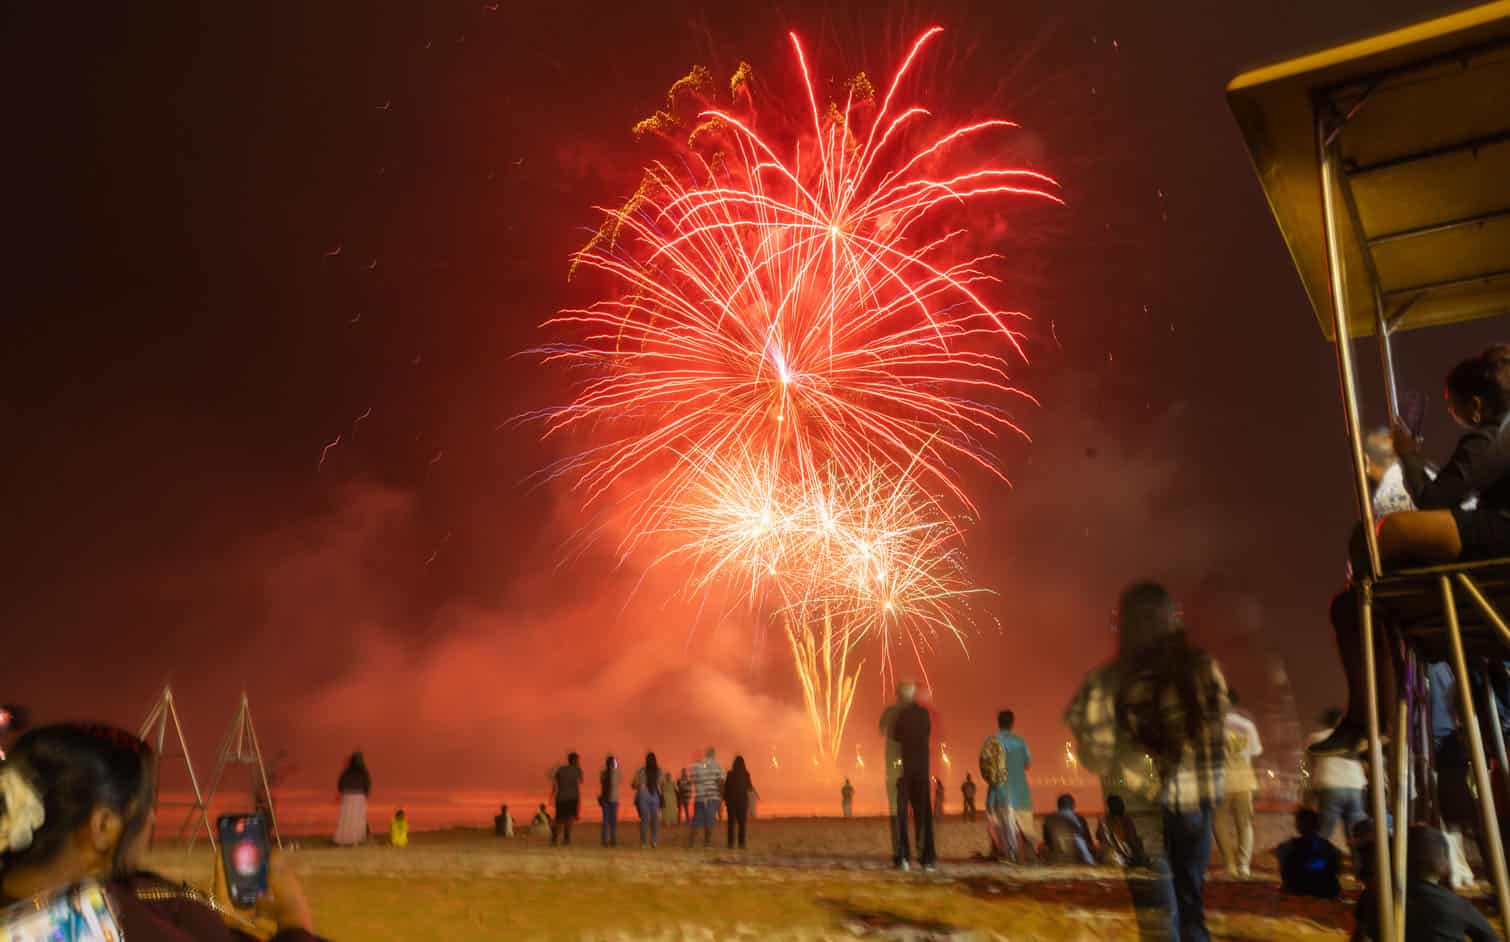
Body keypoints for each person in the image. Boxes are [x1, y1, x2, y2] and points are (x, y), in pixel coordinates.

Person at [1315, 349, 1510, 756]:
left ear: (1476, 405)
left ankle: (1372, 709)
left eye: (1453, 409)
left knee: (1380, 535)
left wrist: (1408, 453)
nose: (1453, 417)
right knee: (1361, 580)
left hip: (1498, 534)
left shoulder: (1491, 436)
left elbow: (1435, 500)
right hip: (1492, 534)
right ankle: (1367, 615)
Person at [0, 724, 324, 941]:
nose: (151, 819)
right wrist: (292, 917)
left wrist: (224, 922)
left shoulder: (100, 897)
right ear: (102, 827)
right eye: (143, 807)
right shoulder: (81, 928)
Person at [1065, 581, 1229, 942]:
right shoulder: (1204, 668)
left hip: (1140, 808)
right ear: (1171, 618)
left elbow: (1096, 756)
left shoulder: (1108, 681)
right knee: (1191, 904)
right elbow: (1218, 735)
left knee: (1157, 915)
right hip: (1196, 802)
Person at [1356, 826, 1501, 942]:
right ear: (1444, 864)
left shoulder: (1374, 896)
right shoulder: (1456, 905)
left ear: (1397, 858)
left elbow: (1360, 936)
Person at [1214, 689, 1263, 877]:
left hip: (1222, 780)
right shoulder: (1247, 725)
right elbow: (1255, 753)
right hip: (1245, 779)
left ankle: (1230, 865)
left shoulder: (1214, 726)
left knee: (1218, 822)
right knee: (1244, 824)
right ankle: (1244, 865)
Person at [891, 681, 936, 871]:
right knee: (924, 814)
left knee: (902, 814)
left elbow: (896, 736)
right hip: (923, 769)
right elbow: (927, 732)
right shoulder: (924, 714)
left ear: (902, 697)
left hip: (906, 770)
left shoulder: (900, 715)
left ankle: (904, 858)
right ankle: (927, 860)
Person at [1304, 709, 1367, 846]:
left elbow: (1309, 766)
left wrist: (1309, 795)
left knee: (1324, 833)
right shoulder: (1353, 738)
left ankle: (1319, 863)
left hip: (1330, 786)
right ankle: (1359, 865)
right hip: (1355, 786)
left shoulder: (1315, 738)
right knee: (1357, 835)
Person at [980, 710, 1034, 863]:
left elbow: (984, 766)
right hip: (1021, 794)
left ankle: (1003, 854)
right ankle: (1017, 856)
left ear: (998, 723)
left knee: (998, 828)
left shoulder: (990, 741)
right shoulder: (1020, 741)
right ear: (1012, 723)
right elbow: (1028, 763)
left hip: (997, 794)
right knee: (1022, 829)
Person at [1275, 808, 1340, 898]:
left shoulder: (1290, 845)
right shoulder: (1328, 846)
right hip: (1325, 888)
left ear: (1299, 825)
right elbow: (1336, 867)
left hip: (1300, 887)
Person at [878, 684, 910, 858]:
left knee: (895, 809)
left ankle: (900, 853)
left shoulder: (889, 712)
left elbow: (881, 730)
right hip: (910, 765)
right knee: (913, 809)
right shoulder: (916, 713)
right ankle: (916, 854)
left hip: (892, 765)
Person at [1040, 794, 1095, 865]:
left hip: (1055, 859)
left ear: (1058, 806)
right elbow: (1088, 841)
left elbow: (1047, 841)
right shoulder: (1079, 819)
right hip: (1077, 859)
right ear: (1073, 805)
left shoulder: (1048, 819)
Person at [1097, 794, 1149, 867]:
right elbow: (1132, 841)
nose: (1123, 805)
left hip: (1109, 856)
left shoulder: (1103, 820)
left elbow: (1099, 837)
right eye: (1121, 803)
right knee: (1139, 841)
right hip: (1123, 856)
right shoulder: (1126, 820)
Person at [688, 749, 724, 848]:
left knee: (696, 821)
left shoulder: (696, 766)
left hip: (700, 797)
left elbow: (692, 780)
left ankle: (691, 843)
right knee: (709, 821)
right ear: (714, 755)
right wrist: (721, 797)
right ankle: (707, 843)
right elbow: (720, 782)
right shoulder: (717, 766)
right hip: (712, 797)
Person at [333, 751, 371, 846]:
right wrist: (365, 794)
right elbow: (367, 785)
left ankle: (343, 840)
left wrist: (344, 793)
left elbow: (340, 785)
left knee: (346, 819)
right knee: (357, 819)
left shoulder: (346, 772)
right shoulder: (364, 772)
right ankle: (355, 841)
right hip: (359, 796)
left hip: (347, 796)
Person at [549, 752, 584, 847]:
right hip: (572, 798)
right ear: (574, 760)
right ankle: (566, 838)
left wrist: (552, 795)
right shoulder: (577, 770)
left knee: (559, 819)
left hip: (560, 797)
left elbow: (554, 781)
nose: (578, 762)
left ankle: (554, 838)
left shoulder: (560, 769)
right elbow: (581, 780)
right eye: (577, 760)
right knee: (569, 819)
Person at [723, 755, 756, 849]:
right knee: (742, 825)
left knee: (731, 825)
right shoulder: (746, 774)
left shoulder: (730, 774)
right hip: (742, 803)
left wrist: (726, 800)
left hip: (731, 803)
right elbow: (749, 787)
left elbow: (726, 788)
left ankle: (730, 844)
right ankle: (741, 844)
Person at [632, 752, 662, 848]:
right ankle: (653, 841)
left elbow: (633, 784)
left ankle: (644, 842)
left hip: (644, 794)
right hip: (654, 795)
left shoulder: (641, 770)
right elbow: (661, 783)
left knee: (645, 819)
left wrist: (640, 785)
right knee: (654, 820)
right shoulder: (658, 771)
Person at [598, 755, 621, 847]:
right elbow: (619, 780)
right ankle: (613, 840)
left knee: (606, 820)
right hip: (613, 799)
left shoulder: (603, 773)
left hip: (605, 798)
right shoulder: (616, 773)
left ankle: (605, 840)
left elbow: (602, 783)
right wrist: (615, 766)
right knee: (613, 821)